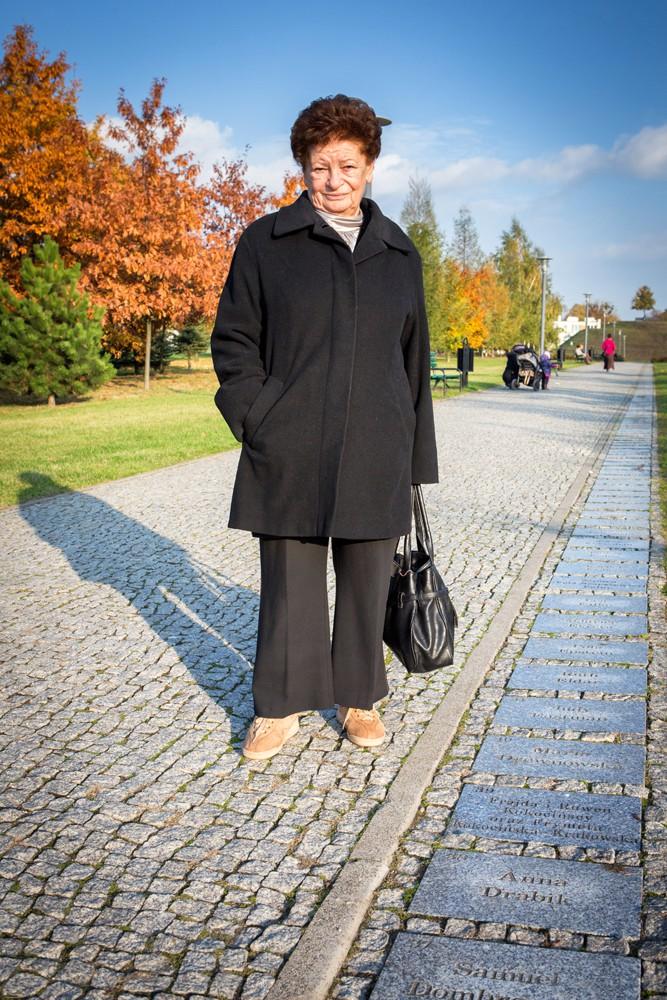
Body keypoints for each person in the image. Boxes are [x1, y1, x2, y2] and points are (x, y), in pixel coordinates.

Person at [211, 95, 438, 760]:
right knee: (289, 584)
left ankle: (359, 697)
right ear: (302, 169)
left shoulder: (399, 254)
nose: (332, 180)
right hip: (289, 445)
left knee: (369, 581)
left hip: (376, 445)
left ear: (370, 165)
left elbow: (413, 362)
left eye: (346, 164)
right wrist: (258, 417)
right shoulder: (265, 243)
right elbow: (233, 343)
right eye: (318, 166)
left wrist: (414, 460)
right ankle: (278, 707)